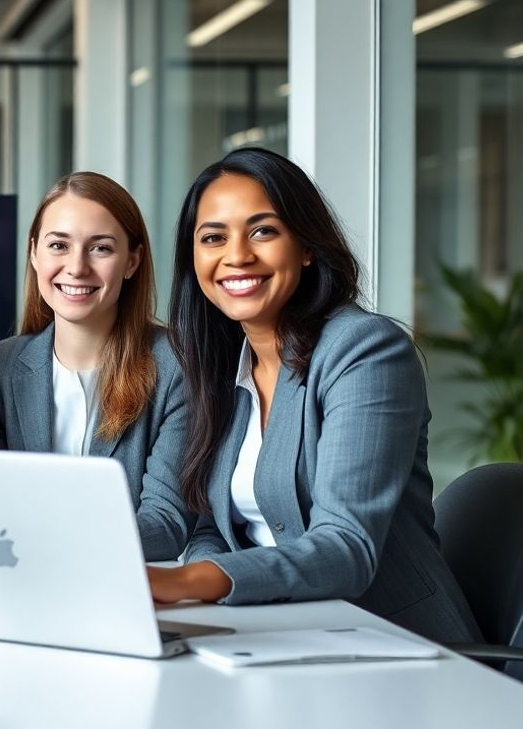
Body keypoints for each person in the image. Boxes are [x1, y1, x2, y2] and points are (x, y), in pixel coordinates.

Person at [146, 147, 480, 644]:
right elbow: (209, 528)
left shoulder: (364, 351)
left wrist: (183, 582)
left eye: (263, 231)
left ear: (305, 246)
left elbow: (346, 548)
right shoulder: (217, 369)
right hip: (269, 634)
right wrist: (197, 586)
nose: (237, 255)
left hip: (398, 645)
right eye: (213, 237)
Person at [0, 172, 191, 560]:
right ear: (34, 252)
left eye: (100, 248)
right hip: (17, 583)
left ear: (132, 260)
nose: (76, 267)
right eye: (59, 245)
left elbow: (165, 524)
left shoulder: (176, 366)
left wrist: (52, 544)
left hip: (120, 589)